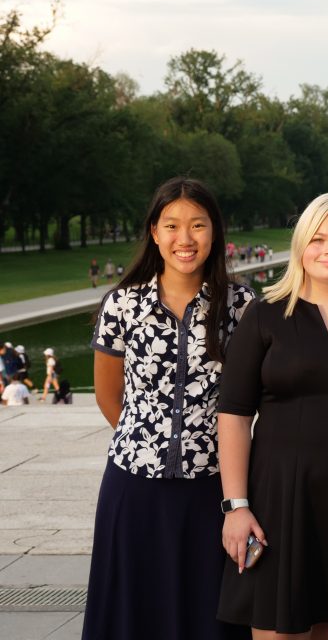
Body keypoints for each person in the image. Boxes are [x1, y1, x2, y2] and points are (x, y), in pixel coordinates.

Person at [216, 193, 328, 639]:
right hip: (279, 498)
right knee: (278, 629)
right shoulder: (265, 316)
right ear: (300, 246)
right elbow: (234, 415)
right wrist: (235, 506)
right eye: (318, 239)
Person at [83, 177, 254, 640]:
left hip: (213, 487)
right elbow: (107, 394)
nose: (185, 239)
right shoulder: (122, 304)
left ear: (215, 232)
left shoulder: (240, 306)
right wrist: (152, 443)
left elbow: (252, 396)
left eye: (198, 225)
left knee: (208, 613)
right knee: (135, 611)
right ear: (154, 232)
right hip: (134, 486)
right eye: (172, 225)